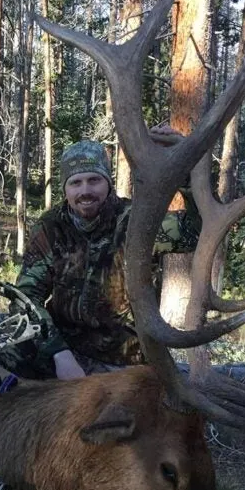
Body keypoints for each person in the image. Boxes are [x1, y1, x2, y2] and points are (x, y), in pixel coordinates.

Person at [14, 136, 198, 379]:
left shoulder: (138, 220)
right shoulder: (51, 226)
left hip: (123, 360)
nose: (85, 191)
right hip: (63, 350)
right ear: (65, 189)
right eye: (76, 182)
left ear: (108, 183)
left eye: (94, 180)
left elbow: (196, 231)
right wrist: (59, 353)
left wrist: (186, 170)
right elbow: (25, 296)